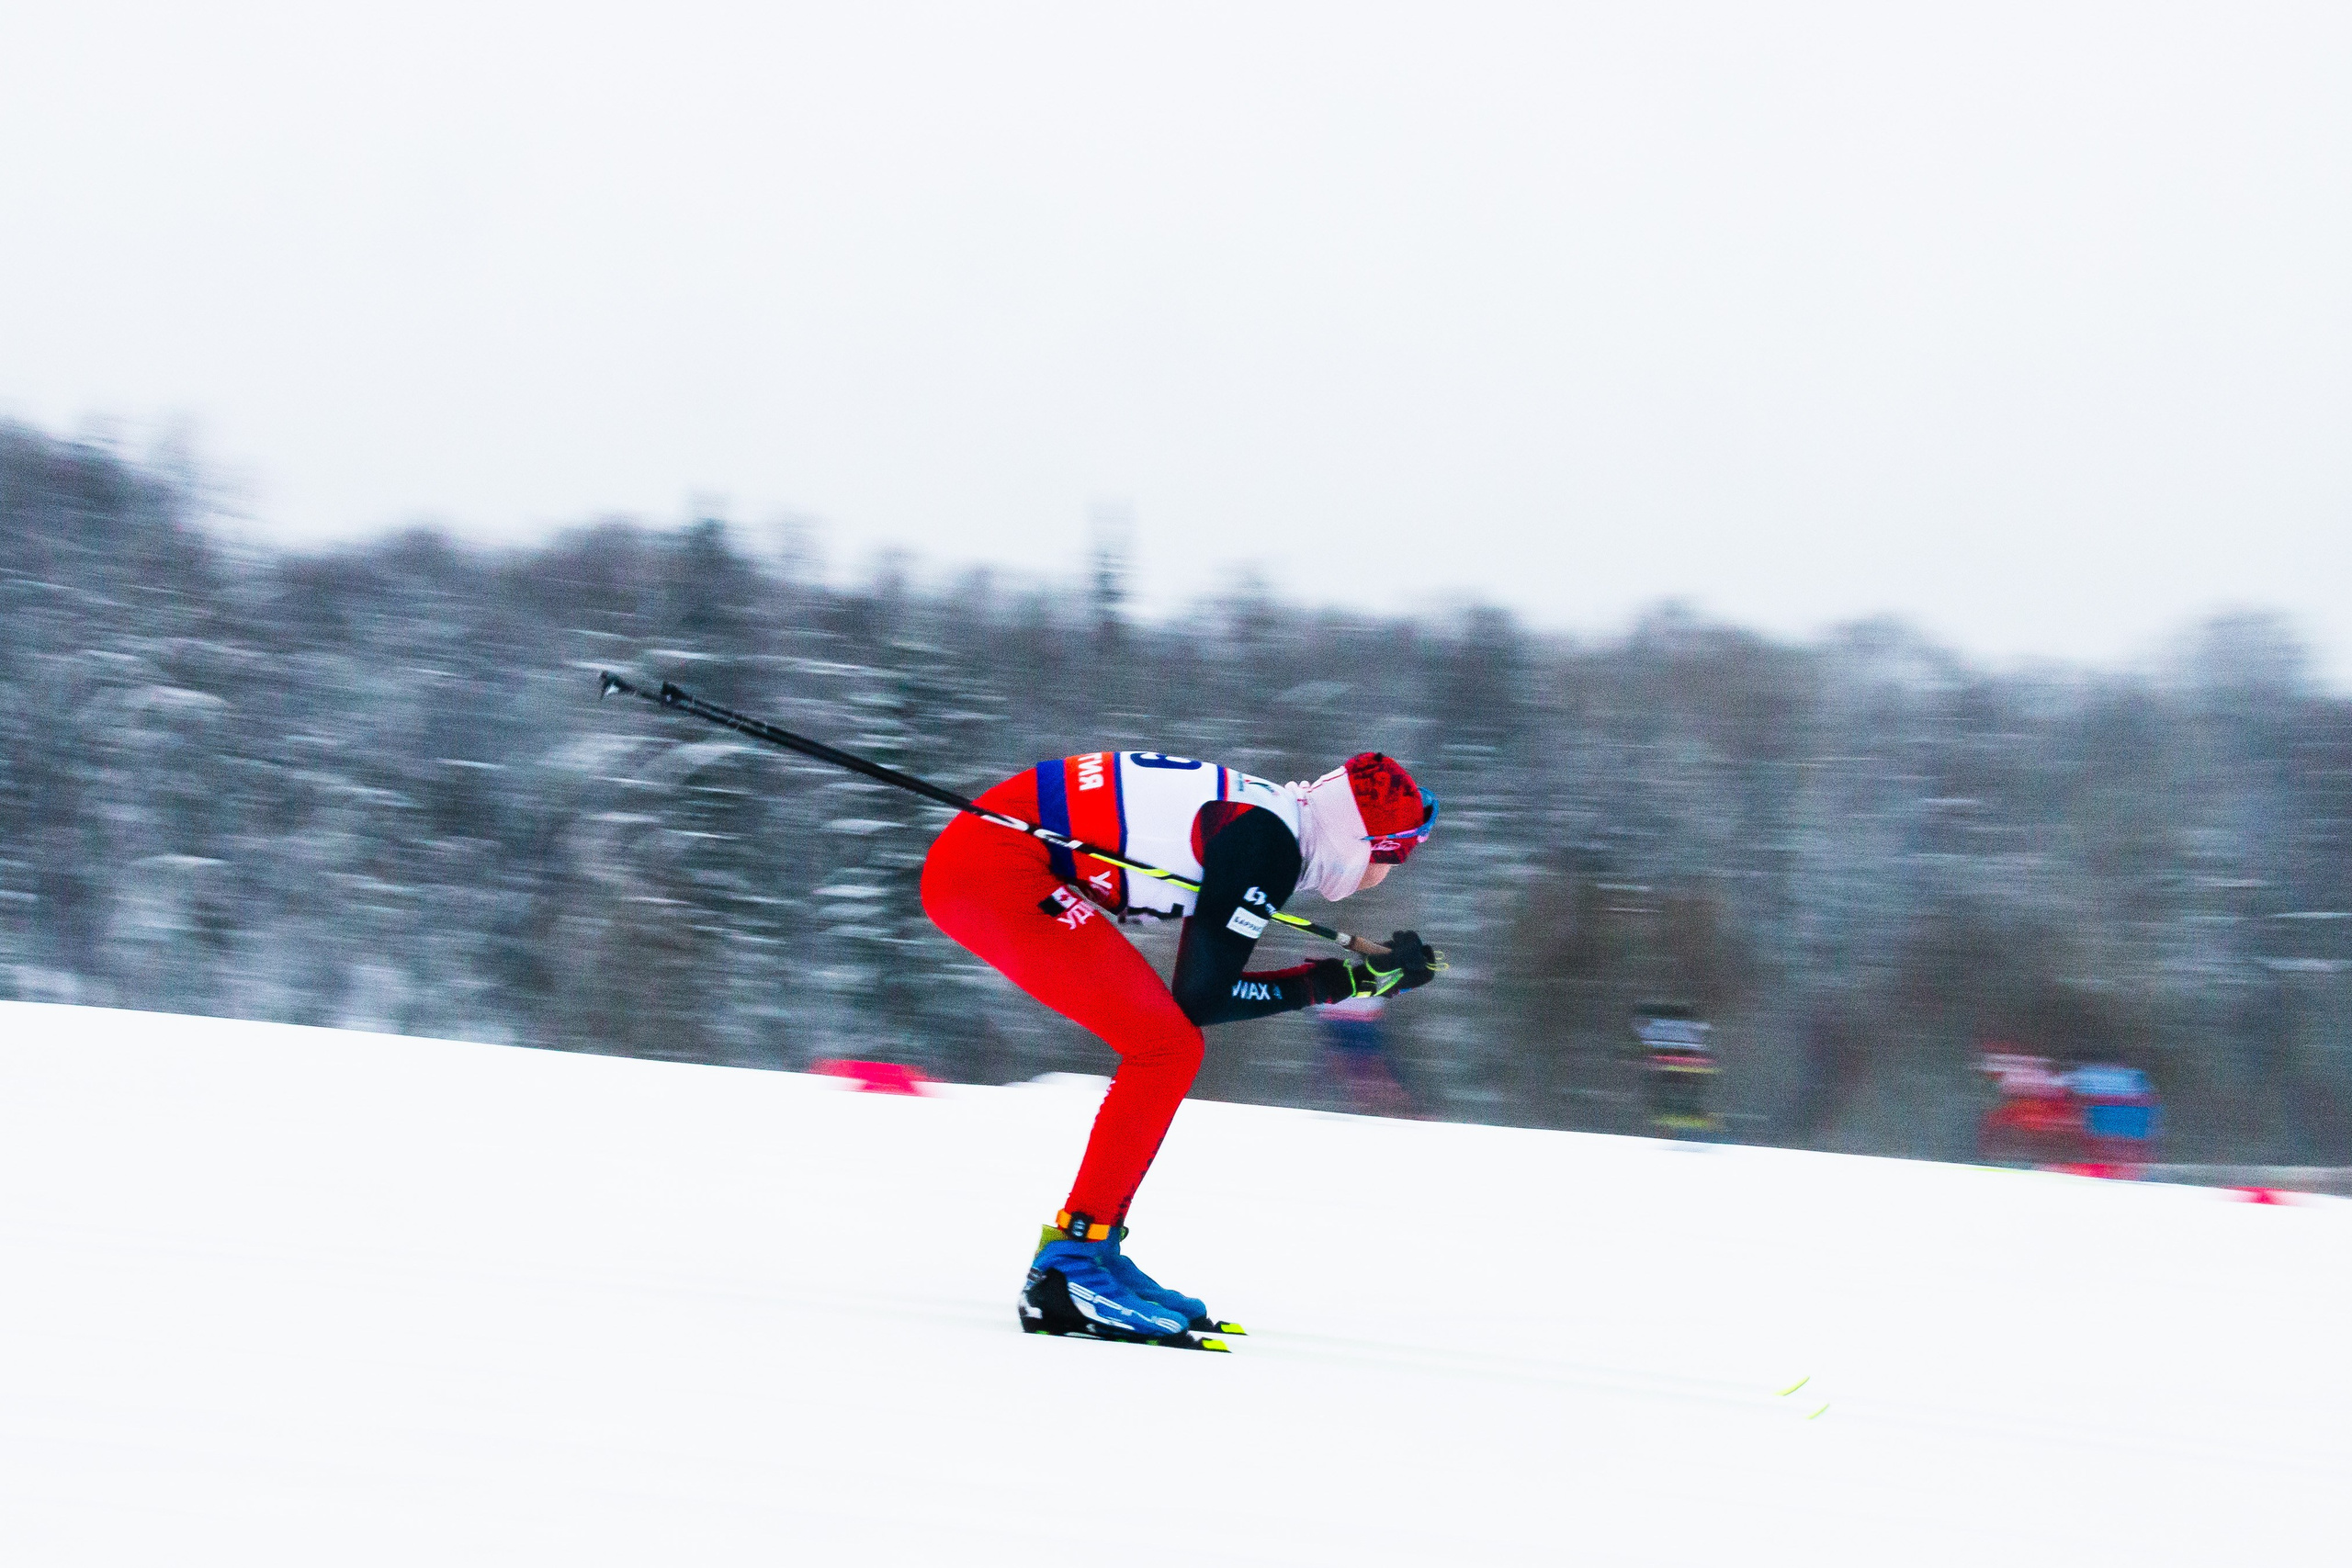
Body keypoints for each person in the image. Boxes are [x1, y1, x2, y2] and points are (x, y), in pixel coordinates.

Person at [920, 749, 1442, 1347]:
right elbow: (1203, 998)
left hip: (996, 851)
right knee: (1165, 1047)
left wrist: (1347, 981)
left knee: (1168, 1044)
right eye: (1396, 856)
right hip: (994, 867)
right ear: (1364, 844)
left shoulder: (1276, 821)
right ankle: (1071, 1267)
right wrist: (1337, 983)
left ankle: (1092, 1249)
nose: (1389, 872)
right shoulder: (1267, 845)